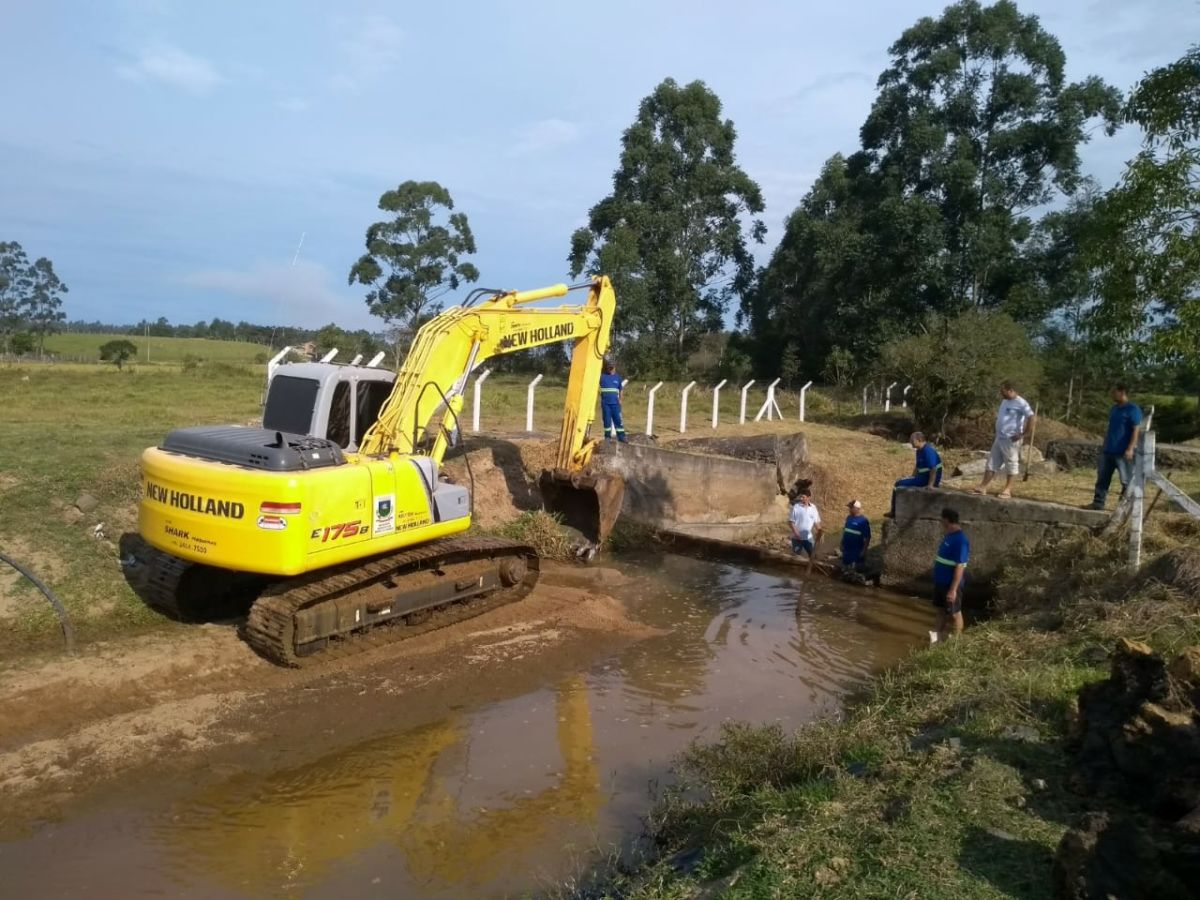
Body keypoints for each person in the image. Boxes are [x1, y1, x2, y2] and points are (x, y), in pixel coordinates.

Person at [975, 381, 1035, 499]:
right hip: (1000, 437)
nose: (1001, 394)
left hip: (1011, 439)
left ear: (1010, 390)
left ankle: (1007, 489)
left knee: (1011, 463)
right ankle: (982, 486)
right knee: (992, 462)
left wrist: (1024, 434)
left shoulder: (1021, 403)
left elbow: (1032, 417)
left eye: (1003, 391)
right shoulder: (1004, 401)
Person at [1088, 383, 1143, 510]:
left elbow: (1136, 430)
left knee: (1126, 481)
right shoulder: (1114, 409)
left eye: (1114, 392)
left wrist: (1130, 449)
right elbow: (1111, 429)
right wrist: (1105, 445)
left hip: (1123, 452)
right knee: (1102, 478)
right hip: (1109, 450)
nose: (1112, 394)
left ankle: (1123, 507)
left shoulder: (1133, 409)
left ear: (1122, 392)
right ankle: (1098, 503)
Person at [931, 507, 969, 643]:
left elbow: (960, 566)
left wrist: (953, 590)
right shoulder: (948, 536)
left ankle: (957, 642)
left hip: (950, 584)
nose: (940, 521)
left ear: (946, 520)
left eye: (942, 518)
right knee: (941, 610)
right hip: (941, 583)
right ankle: (936, 640)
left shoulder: (961, 540)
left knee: (955, 613)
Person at [889, 431, 942, 516]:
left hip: (926, 479)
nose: (910, 442)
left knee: (898, 484)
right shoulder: (919, 450)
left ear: (919, 440)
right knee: (899, 482)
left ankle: (894, 511)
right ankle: (894, 510)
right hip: (921, 477)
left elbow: (933, 469)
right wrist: (911, 477)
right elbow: (917, 467)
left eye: (912, 440)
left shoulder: (927, 451)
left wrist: (931, 485)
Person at [788, 489, 822, 573]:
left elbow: (816, 523)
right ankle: (794, 574)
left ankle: (811, 573)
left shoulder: (813, 508)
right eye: (801, 497)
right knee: (796, 557)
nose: (801, 499)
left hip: (808, 538)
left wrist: (820, 532)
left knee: (813, 556)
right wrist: (796, 533)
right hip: (796, 538)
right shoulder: (796, 507)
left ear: (809, 497)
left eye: (803, 497)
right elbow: (791, 522)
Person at [840, 499, 872, 574]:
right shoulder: (849, 518)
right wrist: (841, 543)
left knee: (855, 572)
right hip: (847, 550)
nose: (849, 509)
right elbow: (846, 532)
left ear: (857, 509)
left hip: (856, 551)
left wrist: (864, 550)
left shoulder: (863, 521)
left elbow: (867, 537)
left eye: (851, 508)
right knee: (845, 570)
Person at [598, 362, 627, 442]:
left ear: (614, 367)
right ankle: (607, 437)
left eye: (611, 368)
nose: (610, 369)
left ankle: (621, 437)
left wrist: (620, 400)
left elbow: (621, 390)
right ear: (607, 367)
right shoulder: (602, 377)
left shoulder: (618, 378)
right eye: (609, 368)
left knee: (618, 420)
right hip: (605, 404)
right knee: (607, 421)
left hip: (615, 404)